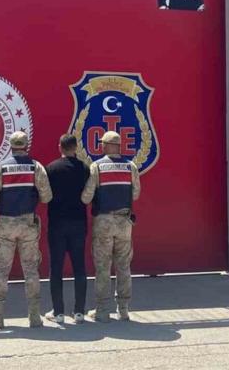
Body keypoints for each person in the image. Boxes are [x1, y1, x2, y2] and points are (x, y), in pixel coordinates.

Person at [0, 130, 52, 329]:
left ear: (10, 147)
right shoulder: (36, 167)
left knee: (1, 270)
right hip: (28, 223)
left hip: (5, 224)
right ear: (26, 146)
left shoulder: (0, 168)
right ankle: (34, 317)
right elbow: (47, 196)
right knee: (31, 270)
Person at [81, 131, 141, 323]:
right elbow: (136, 194)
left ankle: (102, 310)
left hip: (104, 222)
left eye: (103, 143)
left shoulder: (97, 167)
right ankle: (123, 309)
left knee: (102, 267)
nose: (101, 146)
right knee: (123, 266)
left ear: (106, 145)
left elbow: (86, 197)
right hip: (124, 222)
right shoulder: (130, 166)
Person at [44, 134, 90, 325]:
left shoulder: (51, 168)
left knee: (56, 268)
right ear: (76, 147)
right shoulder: (85, 169)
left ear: (60, 147)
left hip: (57, 223)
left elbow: (45, 195)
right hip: (78, 222)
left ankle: (58, 312)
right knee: (79, 267)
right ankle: (79, 312)